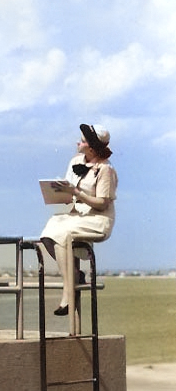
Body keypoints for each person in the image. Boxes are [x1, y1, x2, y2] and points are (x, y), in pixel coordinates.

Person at [40, 124, 118, 316]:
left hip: (98, 219)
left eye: (82, 140)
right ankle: (75, 276)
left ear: (91, 148)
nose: (77, 142)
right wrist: (59, 192)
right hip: (78, 215)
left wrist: (75, 192)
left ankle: (68, 294)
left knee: (63, 233)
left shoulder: (105, 170)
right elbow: (70, 191)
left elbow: (101, 203)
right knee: (50, 229)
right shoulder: (75, 161)